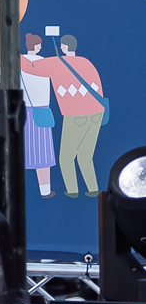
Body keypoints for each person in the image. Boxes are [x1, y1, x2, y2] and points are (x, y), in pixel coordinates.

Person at [29, 33, 108, 197]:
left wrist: (15, 54)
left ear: (64, 47)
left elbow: (32, 67)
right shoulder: (86, 62)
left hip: (76, 115)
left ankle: (72, 191)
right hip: (97, 113)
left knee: (66, 158)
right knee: (86, 156)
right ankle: (93, 189)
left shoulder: (59, 63)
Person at [22, 33, 59, 197]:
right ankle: (45, 190)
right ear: (36, 46)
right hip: (40, 108)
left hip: (22, 109)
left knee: (19, 152)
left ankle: (16, 193)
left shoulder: (17, 61)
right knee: (43, 155)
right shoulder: (44, 62)